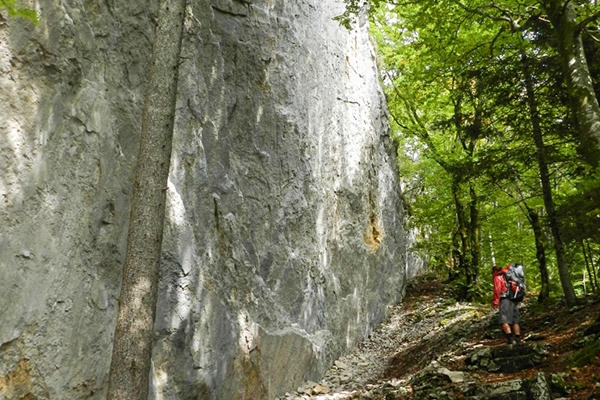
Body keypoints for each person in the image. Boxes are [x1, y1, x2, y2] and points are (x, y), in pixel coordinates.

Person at [492, 265, 521, 345]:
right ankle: (518, 339)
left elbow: (497, 290)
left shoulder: (497, 277)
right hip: (513, 300)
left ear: (494, 271)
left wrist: (495, 302)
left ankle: (510, 339)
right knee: (515, 320)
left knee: (504, 320)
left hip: (505, 300)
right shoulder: (510, 276)